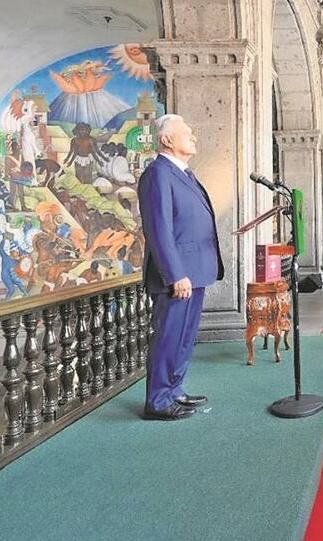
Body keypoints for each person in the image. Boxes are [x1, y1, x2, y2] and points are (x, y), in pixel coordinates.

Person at [138, 113, 224, 421]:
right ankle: (158, 400)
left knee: (185, 336)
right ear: (167, 139)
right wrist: (175, 274)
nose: (193, 136)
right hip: (178, 275)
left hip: (195, 270)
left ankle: (174, 390)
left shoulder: (184, 173)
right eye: (186, 132)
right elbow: (158, 228)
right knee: (168, 335)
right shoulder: (157, 174)